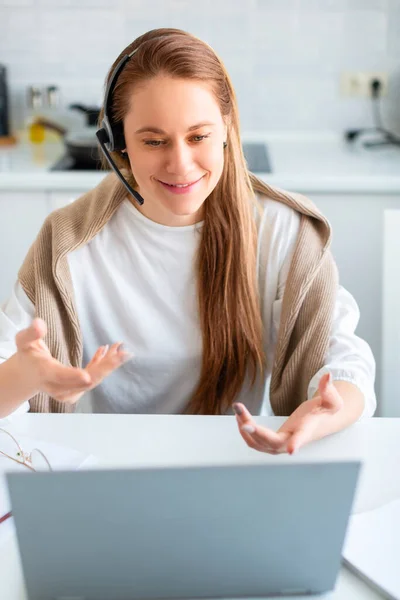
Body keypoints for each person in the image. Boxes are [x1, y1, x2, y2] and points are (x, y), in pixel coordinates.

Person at [0, 28, 376, 455]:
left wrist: (331, 408)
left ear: (226, 128)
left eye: (198, 137)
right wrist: (24, 375)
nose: (180, 164)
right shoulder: (70, 242)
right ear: (118, 144)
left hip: (236, 459)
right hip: (115, 464)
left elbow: (345, 360)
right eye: (154, 141)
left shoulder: (281, 230)